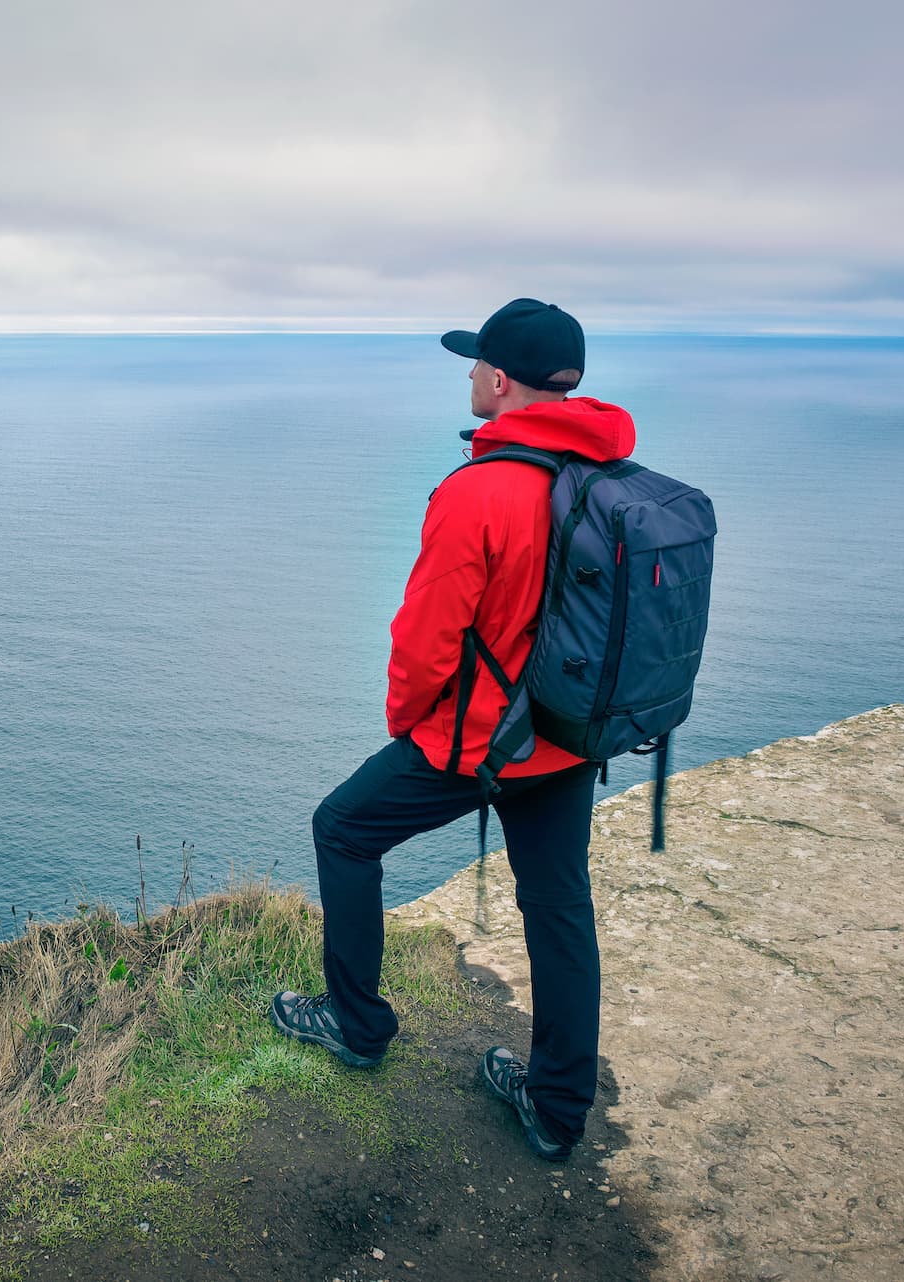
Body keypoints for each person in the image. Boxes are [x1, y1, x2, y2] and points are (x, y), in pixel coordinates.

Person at [267, 298, 636, 1162]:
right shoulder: (611, 482)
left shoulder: (481, 491)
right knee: (558, 909)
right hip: (571, 736)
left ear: (502, 380)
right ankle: (555, 1109)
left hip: (477, 741)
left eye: (476, 363)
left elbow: (427, 636)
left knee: (344, 830)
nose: (470, 374)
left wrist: (409, 724)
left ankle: (357, 1026)